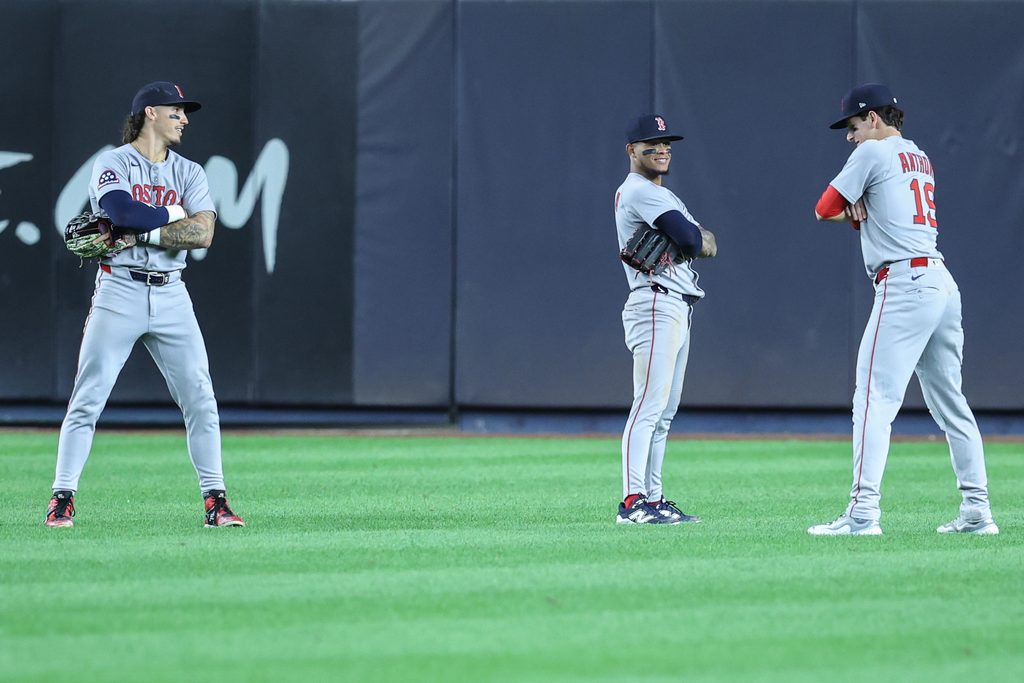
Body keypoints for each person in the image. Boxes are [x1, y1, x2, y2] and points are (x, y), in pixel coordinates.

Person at [45, 81, 244, 529]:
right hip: (120, 291)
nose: (185, 119)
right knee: (88, 398)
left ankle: (216, 500)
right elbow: (122, 214)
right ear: (150, 113)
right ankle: (62, 497)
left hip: (173, 292)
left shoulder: (190, 172)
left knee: (201, 398)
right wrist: (175, 215)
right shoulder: (113, 162)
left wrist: (147, 232)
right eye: (176, 111)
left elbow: (205, 234)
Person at [808, 83, 997, 536]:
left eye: (853, 126)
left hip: (905, 283)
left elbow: (823, 208)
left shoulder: (872, 153)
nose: (850, 136)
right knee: (951, 402)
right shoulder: (919, 155)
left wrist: (857, 213)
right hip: (940, 281)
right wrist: (864, 213)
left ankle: (862, 514)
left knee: (873, 398)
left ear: (873, 118)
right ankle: (977, 511)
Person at [613, 114, 717, 525]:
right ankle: (632, 501)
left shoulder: (661, 195)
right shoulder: (639, 191)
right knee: (648, 405)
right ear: (631, 151)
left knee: (665, 411)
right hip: (654, 304)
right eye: (651, 143)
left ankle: (653, 498)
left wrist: (693, 237)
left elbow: (709, 242)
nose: (661, 149)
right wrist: (692, 236)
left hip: (677, 303)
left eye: (666, 142)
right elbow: (696, 239)